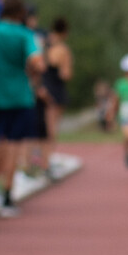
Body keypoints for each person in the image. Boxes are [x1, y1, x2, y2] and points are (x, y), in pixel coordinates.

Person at [0, 0, 43, 217]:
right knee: (14, 144)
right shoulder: (25, 34)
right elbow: (37, 61)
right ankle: (7, 193)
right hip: (19, 96)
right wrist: (33, 72)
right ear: (21, 13)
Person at [41, 17, 73, 177]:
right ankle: (48, 163)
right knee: (52, 129)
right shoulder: (63, 49)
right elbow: (66, 74)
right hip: (56, 90)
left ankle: (44, 162)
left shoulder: (41, 44)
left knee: (43, 129)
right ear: (65, 32)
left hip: (41, 88)